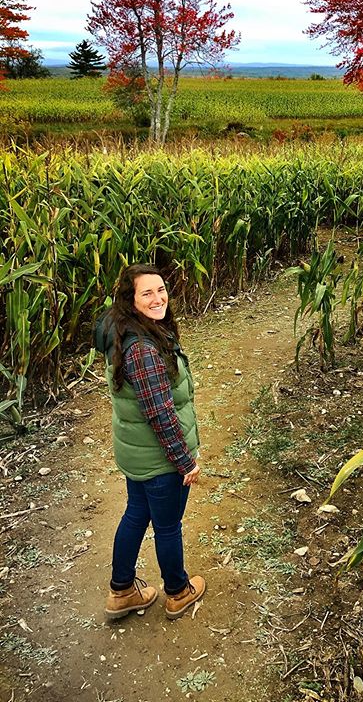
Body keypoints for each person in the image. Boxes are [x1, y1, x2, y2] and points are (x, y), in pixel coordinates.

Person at [94, 263, 206, 621]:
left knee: (136, 515)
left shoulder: (122, 326)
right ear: (131, 299)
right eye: (147, 293)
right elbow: (160, 413)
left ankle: (122, 591)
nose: (159, 298)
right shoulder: (142, 348)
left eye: (161, 290)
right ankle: (177, 592)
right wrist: (185, 461)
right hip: (159, 461)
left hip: (137, 455)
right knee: (168, 526)